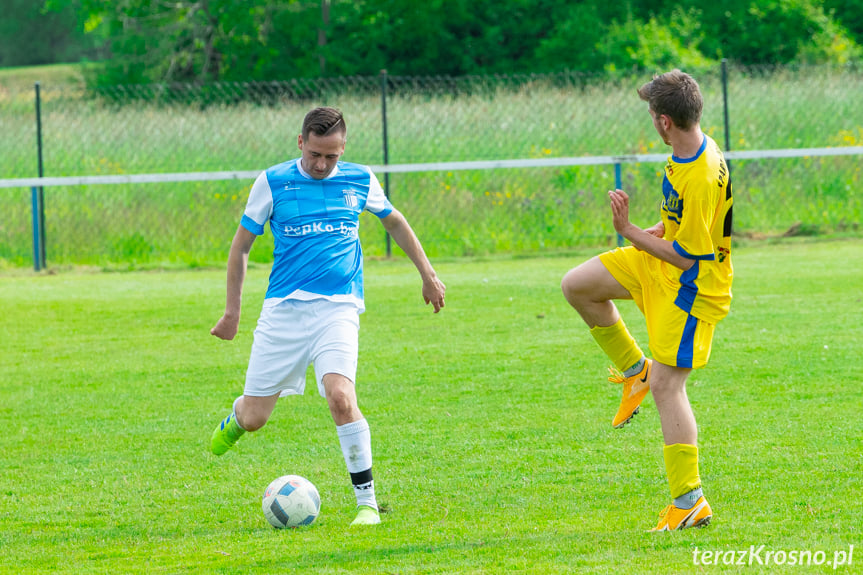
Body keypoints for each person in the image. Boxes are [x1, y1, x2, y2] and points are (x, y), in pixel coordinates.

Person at [209, 106, 446, 527]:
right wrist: (232, 313)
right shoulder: (273, 182)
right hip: (283, 312)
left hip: (339, 307)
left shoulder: (359, 178)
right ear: (301, 142)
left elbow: (395, 223)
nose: (321, 164)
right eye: (315, 154)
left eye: (331, 156)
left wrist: (427, 275)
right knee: (255, 418)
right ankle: (238, 415)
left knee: (340, 396)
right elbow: (241, 247)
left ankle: (367, 504)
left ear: (343, 149)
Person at [560, 70, 733, 531]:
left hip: (691, 290)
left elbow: (686, 255)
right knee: (578, 285)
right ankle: (635, 372)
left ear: (662, 121)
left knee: (669, 387)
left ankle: (689, 501)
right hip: (659, 265)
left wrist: (630, 232)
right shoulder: (689, 147)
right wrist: (653, 230)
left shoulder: (699, 171)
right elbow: (683, 227)